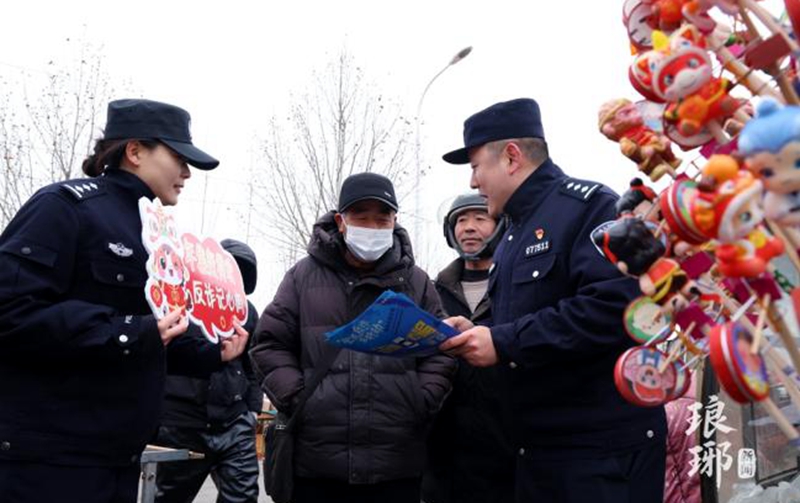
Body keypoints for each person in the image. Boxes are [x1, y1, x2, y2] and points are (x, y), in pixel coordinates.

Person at [0, 99, 250, 503]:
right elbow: (11, 312)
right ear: (134, 151)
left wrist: (212, 353)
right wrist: (127, 332)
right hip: (48, 460)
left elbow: (152, 332)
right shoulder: (65, 207)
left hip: (118, 457)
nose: (187, 173)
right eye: (178, 157)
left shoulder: (157, 234)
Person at [439, 98, 667, 503]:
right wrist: (482, 333)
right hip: (540, 455)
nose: (474, 182)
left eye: (476, 166)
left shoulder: (590, 208)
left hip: (599, 456)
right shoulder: (511, 236)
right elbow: (530, 323)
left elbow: (617, 307)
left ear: (511, 157)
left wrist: (503, 342)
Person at [250, 172, 456, 503]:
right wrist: (300, 397)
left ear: (394, 221)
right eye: (361, 217)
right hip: (317, 464)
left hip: (396, 462)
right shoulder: (302, 276)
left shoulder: (416, 282)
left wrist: (421, 398)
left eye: (382, 218)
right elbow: (269, 343)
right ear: (341, 221)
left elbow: (442, 347)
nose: (372, 228)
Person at [422, 193, 515, 503]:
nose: (469, 227)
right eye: (461, 220)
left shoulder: (517, 287)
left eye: (480, 218)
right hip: (443, 461)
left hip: (508, 454)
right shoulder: (431, 294)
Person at [154, 238, 262, 503]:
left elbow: (253, 365)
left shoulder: (247, 313)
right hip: (182, 424)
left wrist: (252, 409)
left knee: (243, 496)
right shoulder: (179, 303)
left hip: (234, 420)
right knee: (170, 496)